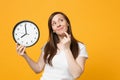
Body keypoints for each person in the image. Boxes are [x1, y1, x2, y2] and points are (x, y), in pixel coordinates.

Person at [16, 12, 88, 80]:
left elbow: (76, 74)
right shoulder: (48, 46)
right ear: (53, 30)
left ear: (67, 23)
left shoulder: (80, 47)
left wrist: (67, 49)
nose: (58, 24)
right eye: (54, 23)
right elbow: (38, 69)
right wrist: (25, 55)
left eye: (61, 20)